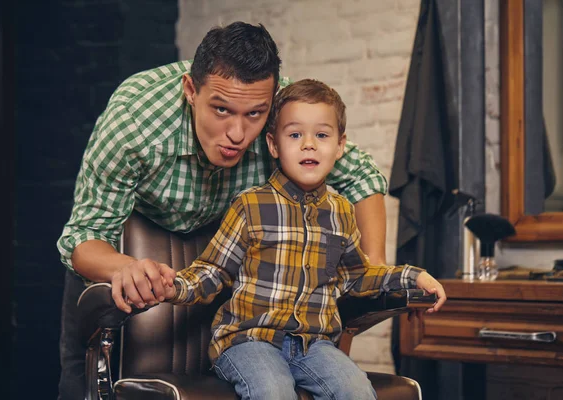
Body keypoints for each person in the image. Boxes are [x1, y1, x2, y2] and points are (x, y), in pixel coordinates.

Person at [57, 22, 391, 398]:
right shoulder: (134, 122)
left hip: (226, 254)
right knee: (77, 380)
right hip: (132, 249)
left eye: (254, 114)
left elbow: (362, 177)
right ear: (190, 90)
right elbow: (84, 237)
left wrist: (374, 267)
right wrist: (127, 268)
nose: (237, 133)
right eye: (221, 109)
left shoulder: (283, 117)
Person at [156, 79, 447, 400]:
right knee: (274, 392)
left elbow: (358, 277)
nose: (309, 144)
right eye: (295, 135)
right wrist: (173, 286)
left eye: (321, 135)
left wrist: (412, 275)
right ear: (273, 145)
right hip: (250, 340)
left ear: (339, 146)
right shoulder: (250, 205)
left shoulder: (341, 212)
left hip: (314, 344)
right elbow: (212, 272)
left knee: (358, 391)